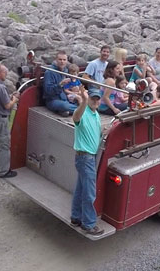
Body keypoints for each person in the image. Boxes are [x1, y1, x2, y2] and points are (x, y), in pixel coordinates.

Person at [70, 85, 104, 236]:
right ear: (88, 99)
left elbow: (95, 131)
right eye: (93, 98)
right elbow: (75, 117)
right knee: (89, 192)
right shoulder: (83, 113)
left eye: (97, 99)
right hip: (85, 157)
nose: (95, 101)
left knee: (81, 189)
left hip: (87, 156)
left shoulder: (95, 114)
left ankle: (76, 217)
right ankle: (88, 224)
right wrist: (83, 101)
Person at [0, 64, 20, 178]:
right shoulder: (0, 87)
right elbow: (7, 105)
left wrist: (10, 97)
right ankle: (4, 171)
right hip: (1, 120)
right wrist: (14, 100)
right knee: (4, 145)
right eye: (4, 72)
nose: (6, 74)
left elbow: (1, 100)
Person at [44, 51, 78, 115]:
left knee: (80, 98)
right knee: (65, 106)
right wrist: (60, 84)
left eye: (64, 60)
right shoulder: (49, 72)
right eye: (60, 59)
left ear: (67, 61)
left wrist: (74, 88)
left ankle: (66, 111)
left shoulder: (66, 71)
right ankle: (81, 111)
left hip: (65, 97)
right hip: (53, 100)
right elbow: (48, 91)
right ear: (56, 60)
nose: (62, 62)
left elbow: (69, 87)